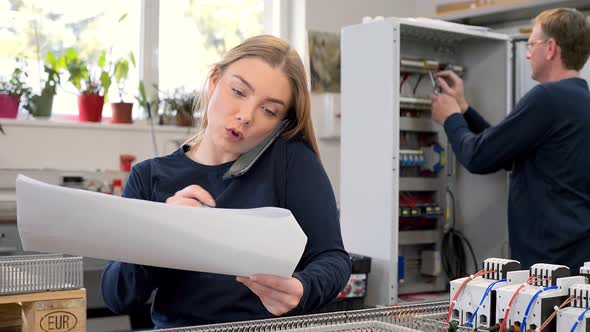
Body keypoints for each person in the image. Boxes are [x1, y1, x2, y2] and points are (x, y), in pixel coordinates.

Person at [101, 35, 352, 328]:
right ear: (214, 81)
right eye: (237, 91)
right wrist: (161, 232)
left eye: (269, 110)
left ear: (282, 122)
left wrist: (303, 288)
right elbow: (116, 296)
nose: (246, 116)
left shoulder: (291, 162)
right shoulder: (149, 177)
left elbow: (333, 259)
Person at [431, 8, 590, 272]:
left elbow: (478, 157)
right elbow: (505, 148)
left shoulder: (547, 98)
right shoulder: (579, 101)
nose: (527, 54)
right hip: (575, 259)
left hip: (546, 264)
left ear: (550, 48)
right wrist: (464, 109)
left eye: (531, 45)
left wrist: (450, 118)